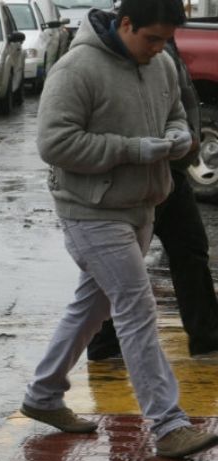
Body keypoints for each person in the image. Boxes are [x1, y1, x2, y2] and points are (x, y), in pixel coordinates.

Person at [22, 0, 218, 459]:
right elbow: (54, 143)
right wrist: (134, 149)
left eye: (165, 40)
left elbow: (174, 112)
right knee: (136, 304)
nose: (157, 49)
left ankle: (43, 395)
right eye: (151, 39)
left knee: (92, 306)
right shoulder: (77, 68)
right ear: (124, 23)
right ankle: (168, 424)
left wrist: (179, 137)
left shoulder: (160, 63)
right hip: (89, 210)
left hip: (143, 203)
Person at [87, 37, 218, 361]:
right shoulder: (121, 46)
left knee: (190, 248)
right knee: (123, 265)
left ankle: (207, 339)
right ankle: (104, 346)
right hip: (136, 174)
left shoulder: (161, 37)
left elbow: (179, 98)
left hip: (170, 171)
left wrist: (186, 134)